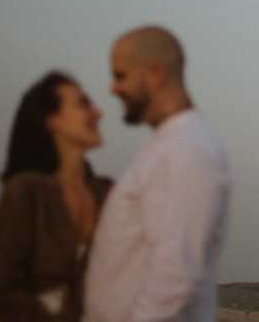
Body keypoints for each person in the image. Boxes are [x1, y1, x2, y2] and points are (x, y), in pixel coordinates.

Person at [84, 26, 231, 322]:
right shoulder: (171, 145)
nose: (112, 88)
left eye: (120, 75)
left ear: (157, 74)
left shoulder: (184, 150)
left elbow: (174, 281)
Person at [0, 71, 112, 322]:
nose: (98, 112)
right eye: (83, 103)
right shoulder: (26, 190)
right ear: (52, 121)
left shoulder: (106, 193)